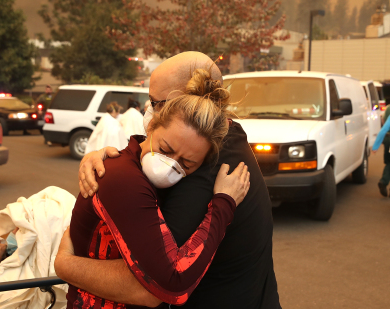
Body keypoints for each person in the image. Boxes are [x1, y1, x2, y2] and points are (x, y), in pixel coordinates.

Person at [56, 52, 281, 309]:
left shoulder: (211, 164)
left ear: (189, 101)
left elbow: (151, 286)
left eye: (155, 102)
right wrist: (108, 157)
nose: (149, 111)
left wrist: (65, 264)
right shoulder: (225, 137)